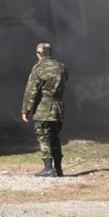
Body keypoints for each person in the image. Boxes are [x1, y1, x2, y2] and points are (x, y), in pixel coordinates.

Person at [21, 42, 68, 177]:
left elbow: (31, 92)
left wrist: (26, 110)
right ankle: (58, 169)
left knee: (44, 137)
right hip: (58, 108)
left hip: (43, 108)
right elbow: (66, 78)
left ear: (38, 54)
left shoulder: (38, 69)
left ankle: (48, 168)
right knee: (55, 137)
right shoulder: (61, 67)